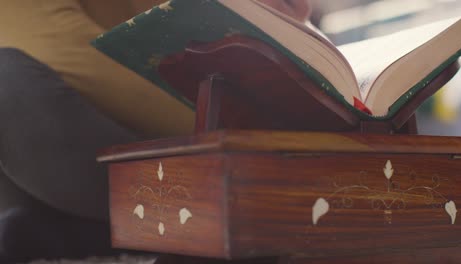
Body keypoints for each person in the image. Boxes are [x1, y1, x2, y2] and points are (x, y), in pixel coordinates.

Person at [0, 0, 314, 262]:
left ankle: (93, 234)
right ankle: (207, 217)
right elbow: (60, 52)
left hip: (159, 157)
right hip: (85, 147)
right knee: (7, 82)